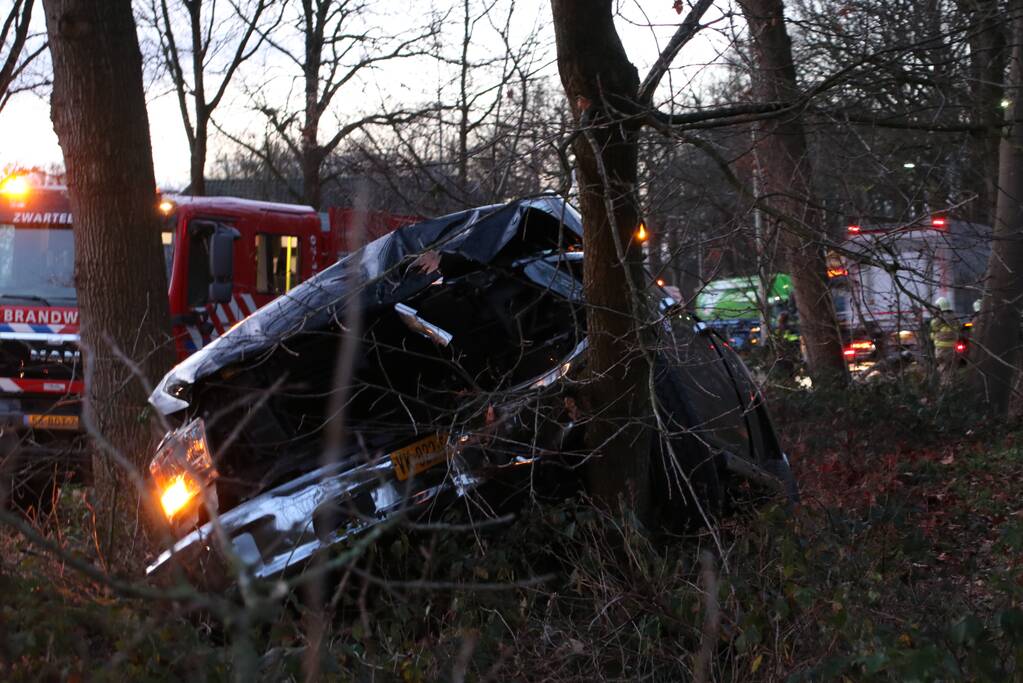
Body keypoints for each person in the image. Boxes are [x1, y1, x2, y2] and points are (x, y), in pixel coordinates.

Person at [930, 297, 958, 382]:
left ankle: (945, 387)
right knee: (951, 368)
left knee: (943, 369)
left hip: (942, 349)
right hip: (953, 348)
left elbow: (933, 326)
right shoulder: (954, 317)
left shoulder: (940, 318)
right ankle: (952, 384)